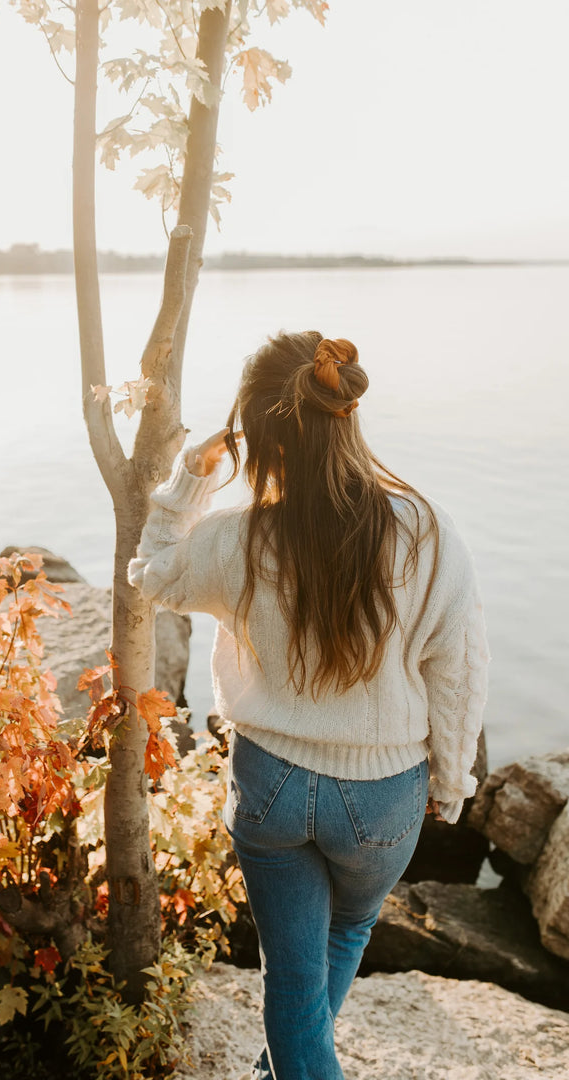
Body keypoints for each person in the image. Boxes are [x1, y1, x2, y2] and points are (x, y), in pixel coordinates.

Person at [128, 331, 489, 1080]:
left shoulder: (237, 539)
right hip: (384, 794)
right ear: (347, 413)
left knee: (290, 983)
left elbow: (153, 577)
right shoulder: (426, 531)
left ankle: (284, 1069)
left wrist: (189, 485)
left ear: (257, 436)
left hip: (273, 788)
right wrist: (452, 784)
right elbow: (457, 671)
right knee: (349, 929)